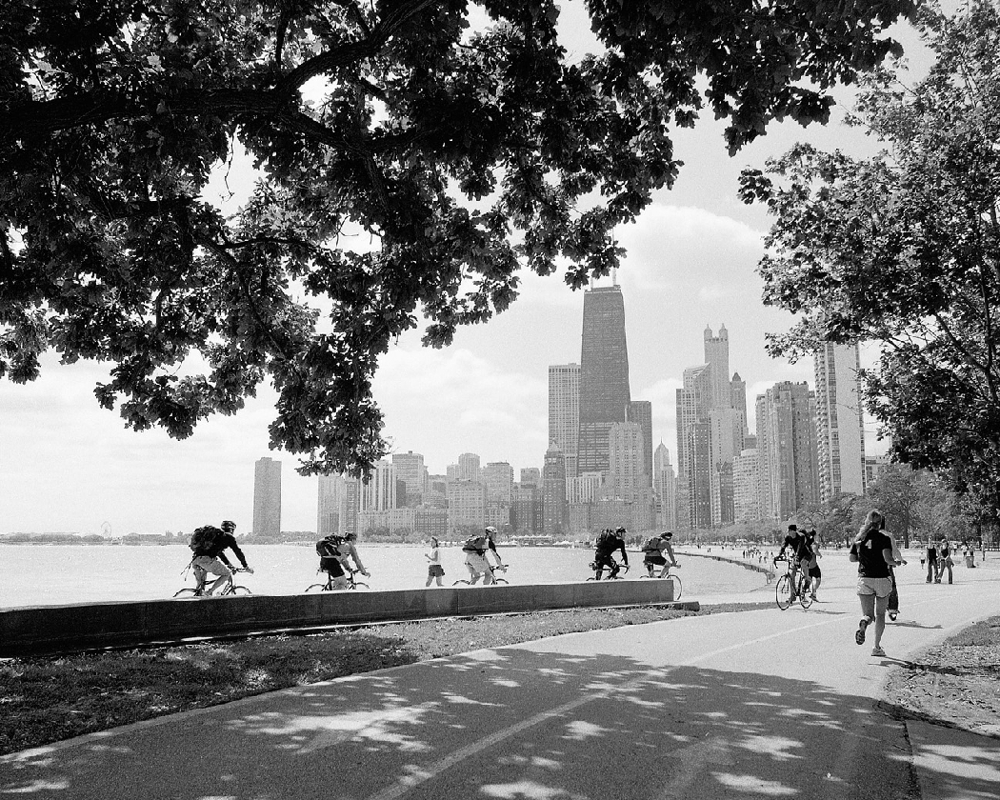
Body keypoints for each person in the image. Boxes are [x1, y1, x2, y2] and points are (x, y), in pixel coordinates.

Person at [850, 509, 901, 657]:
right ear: (880, 523)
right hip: (882, 579)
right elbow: (887, 559)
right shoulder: (883, 538)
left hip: (865, 578)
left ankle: (864, 622)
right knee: (880, 614)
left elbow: (852, 558)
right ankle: (876, 647)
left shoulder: (859, 538)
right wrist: (896, 563)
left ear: (867, 521)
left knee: (868, 615)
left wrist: (864, 559)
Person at [191, 520, 253, 596]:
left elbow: (219, 553)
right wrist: (245, 566)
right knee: (227, 574)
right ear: (231, 529)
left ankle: (199, 596)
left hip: (195, 560)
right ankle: (209, 592)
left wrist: (229, 565)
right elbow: (238, 552)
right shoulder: (229, 537)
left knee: (201, 587)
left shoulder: (217, 537)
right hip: (206, 561)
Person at [776, 524, 809, 599]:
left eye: (789, 531)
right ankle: (793, 595)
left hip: (805, 555)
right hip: (796, 556)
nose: (788, 532)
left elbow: (800, 547)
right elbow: (784, 545)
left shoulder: (801, 537)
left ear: (793, 531)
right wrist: (779, 554)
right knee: (791, 574)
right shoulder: (788, 537)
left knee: (804, 566)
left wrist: (797, 556)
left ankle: (806, 584)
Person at [802, 528, 822, 601]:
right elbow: (815, 550)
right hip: (813, 565)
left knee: (808, 581)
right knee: (818, 579)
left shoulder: (805, 543)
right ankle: (813, 593)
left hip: (806, 565)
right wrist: (819, 554)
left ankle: (803, 595)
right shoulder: (813, 543)